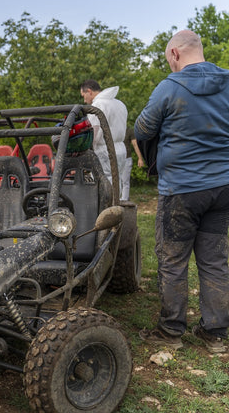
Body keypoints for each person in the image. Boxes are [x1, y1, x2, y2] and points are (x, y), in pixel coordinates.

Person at [135, 30, 229, 353]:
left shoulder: (170, 87)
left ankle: (171, 331)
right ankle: (215, 335)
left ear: (175, 54)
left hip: (182, 190)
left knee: (173, 260)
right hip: (222, 188)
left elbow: (143, 129)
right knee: (215, 259)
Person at [80, 80, 127, 190]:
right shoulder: (119, 104)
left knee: (103, 184)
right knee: (116, 181)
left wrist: (87, 150)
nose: (84, 100)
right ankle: (116, 205)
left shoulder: (98, 105)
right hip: (120, 149)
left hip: (104, 150)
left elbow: (94, 130)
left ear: (89, 91)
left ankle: (105, 207)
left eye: (83, 95)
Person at [120, 127, 144, 201]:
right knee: (118, 180)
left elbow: (135, 144)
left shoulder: (129, 130)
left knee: (125, 181)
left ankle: (124, 199)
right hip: (117, 158)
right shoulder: (116, 130)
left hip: (127, 158)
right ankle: (118, 198)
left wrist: (140, 158)